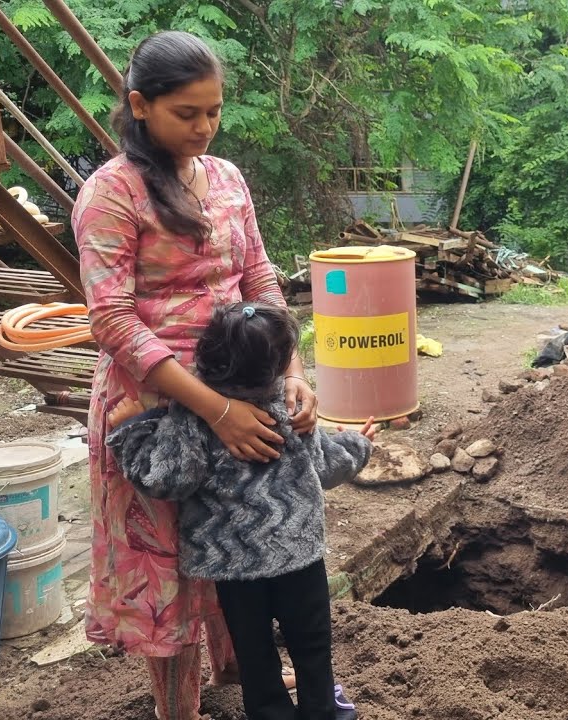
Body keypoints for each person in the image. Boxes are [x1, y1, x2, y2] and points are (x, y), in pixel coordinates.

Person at [75, 31, 318, 720]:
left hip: (243, 387)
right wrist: (213, 411)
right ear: (140, 106)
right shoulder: (110, 196)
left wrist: (291, 369)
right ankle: (176, 708)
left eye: (214, 111)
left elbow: (259, 276)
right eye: (188, 113)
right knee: (166, 567)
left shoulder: (228, 178)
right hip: (153, 406)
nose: (205, 126)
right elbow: (113, 323)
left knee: (241, 533)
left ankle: (244, 670)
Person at [106, 302, 373, 720]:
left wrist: (131, 433)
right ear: (281, 363)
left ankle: (270, 713)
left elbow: (168, 480)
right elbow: (327, 466)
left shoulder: (194, 416)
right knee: (312, 642)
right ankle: (323, 711)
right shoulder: (291, 411)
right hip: (299, 556)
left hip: (233, 567)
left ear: (205, 356)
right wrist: (358, 443)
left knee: (253, 649)